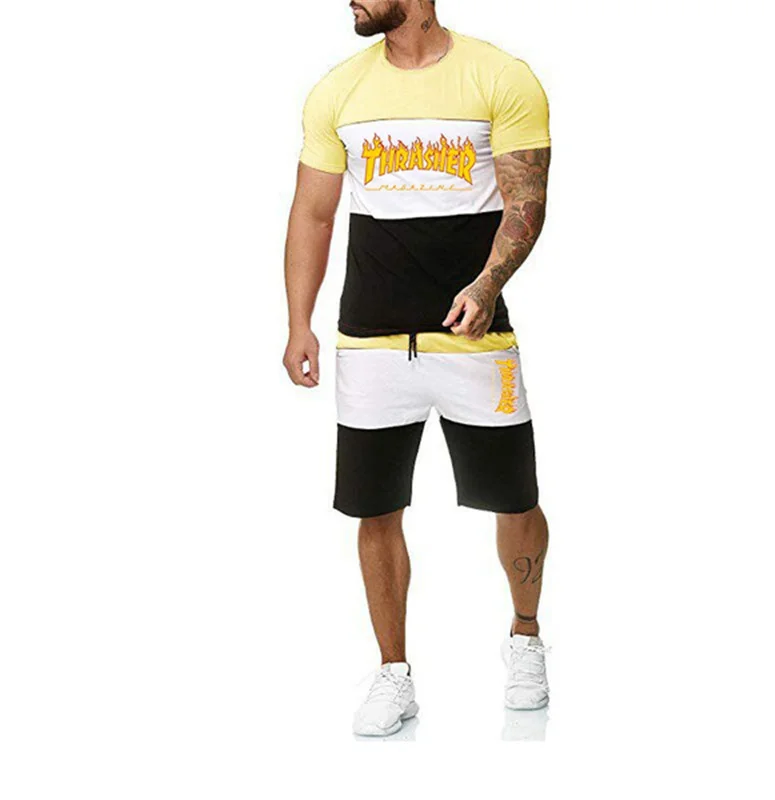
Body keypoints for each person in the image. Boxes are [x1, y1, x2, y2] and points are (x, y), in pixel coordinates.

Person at [283, 0, 552, 737]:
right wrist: (299, 322)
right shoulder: (338, 89)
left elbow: (526, 203)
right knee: (374, 508)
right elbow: (313, 213)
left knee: (514, 499)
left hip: (475, 337)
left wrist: (486, 286)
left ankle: (526, 637)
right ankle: (393, 672)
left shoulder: (501, 76)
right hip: (370, 342)